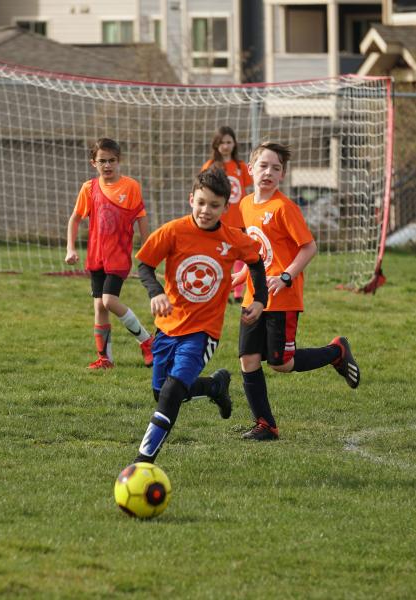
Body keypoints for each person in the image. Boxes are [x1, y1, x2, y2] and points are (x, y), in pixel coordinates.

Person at [131, 166, 268, 464]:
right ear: (191, 199)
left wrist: (259, 299)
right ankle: (214, 386)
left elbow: (256, 261)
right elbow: (144, 265)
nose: (206, 210)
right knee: (162, 393)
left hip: (203, 332)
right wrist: (156, 293)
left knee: (170, 393)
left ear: (225, 208)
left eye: (214, 206)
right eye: (201, 203)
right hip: (167, 328)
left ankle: (142, 463)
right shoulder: (173, 231)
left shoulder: (232, 239)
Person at [234, 141, 360, 441]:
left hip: (282, 298)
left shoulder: (284, 208)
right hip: (254, 297)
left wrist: (287, 276)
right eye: (263, 166)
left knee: (281, 363)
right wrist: (238, 277)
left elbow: (309, 247)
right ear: (250, 170)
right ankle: (266, 424)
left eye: (276, 168)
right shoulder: (244, 206)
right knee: (248, 359)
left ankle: (336, 352)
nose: (268, 172)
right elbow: (256, 253)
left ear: (283, 175)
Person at [65, 137, 154, 370]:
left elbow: (141, 218)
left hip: (118, 256)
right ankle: (106, 359)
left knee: (109, 300)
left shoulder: (131, 187)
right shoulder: (89, 188)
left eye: (112, 160)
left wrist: (147, 247)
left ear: (119, 161)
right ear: (93, 163)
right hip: (96, 256)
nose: (107, 165)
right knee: (99, 307)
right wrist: (70, 248)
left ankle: (147, 341)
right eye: (102, 161)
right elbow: (74, 219)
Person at [201, 126, 253, 304]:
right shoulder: (210, 166)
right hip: (219, 219)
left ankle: (238, 293)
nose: (225, 146)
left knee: (240, 255)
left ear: (234, 144)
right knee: (220, 255)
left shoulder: (241, 167)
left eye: (229, 142)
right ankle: (219, 290)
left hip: (239, 218)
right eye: (222, 142)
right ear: (216, 144)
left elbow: (244, 190)